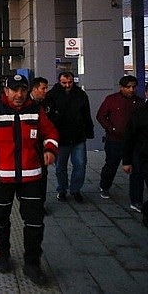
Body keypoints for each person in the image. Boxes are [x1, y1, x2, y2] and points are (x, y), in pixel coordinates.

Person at [0, 74, 58, 285]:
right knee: (0, 218)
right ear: (6, 91)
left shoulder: (36, 111)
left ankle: (32, 264)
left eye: (22, 90)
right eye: (14, 90)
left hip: (32, 176)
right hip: (0, 177)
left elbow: (51, 132)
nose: (19, 95)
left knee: (35, 222)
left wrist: (50, 149)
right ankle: (3, 255)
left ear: (27, 91)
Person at [96, 75, 144, 211]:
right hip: (115, 140)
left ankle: (136, 200)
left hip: (135, 143)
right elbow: (101, 116)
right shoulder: (112, 100)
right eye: (128, 87)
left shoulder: (140, 102)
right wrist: (111, 128)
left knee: (137, 170)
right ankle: (105, 186)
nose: (131, 89)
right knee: (111, 165)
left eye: (134, 87)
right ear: (121, 87)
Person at [45, 71, 94, 203]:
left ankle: (75, 190)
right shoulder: (52, 95)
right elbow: (47, 117)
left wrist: (89, 130)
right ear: (59, 82)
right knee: (60, 167)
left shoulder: (80, 94)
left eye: (70, 82)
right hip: (60, 138)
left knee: (80, 164)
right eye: (64, 83)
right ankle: (62, 190)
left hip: (78, 136)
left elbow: (86, 114)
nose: (67, 85)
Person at [122, 102, 148, 226]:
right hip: (142, 154)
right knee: (137, 177)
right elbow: (129, 137)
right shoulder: (139, 113)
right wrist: (126, 161)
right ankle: (137, 202)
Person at [30, 77, 50, 207]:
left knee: (42, 174)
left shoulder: (47, 102)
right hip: (30, 146)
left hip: (42, 146)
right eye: (43, 88)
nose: (45, 91)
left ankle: (40, 203)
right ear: (35, 89)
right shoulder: (26, 104)